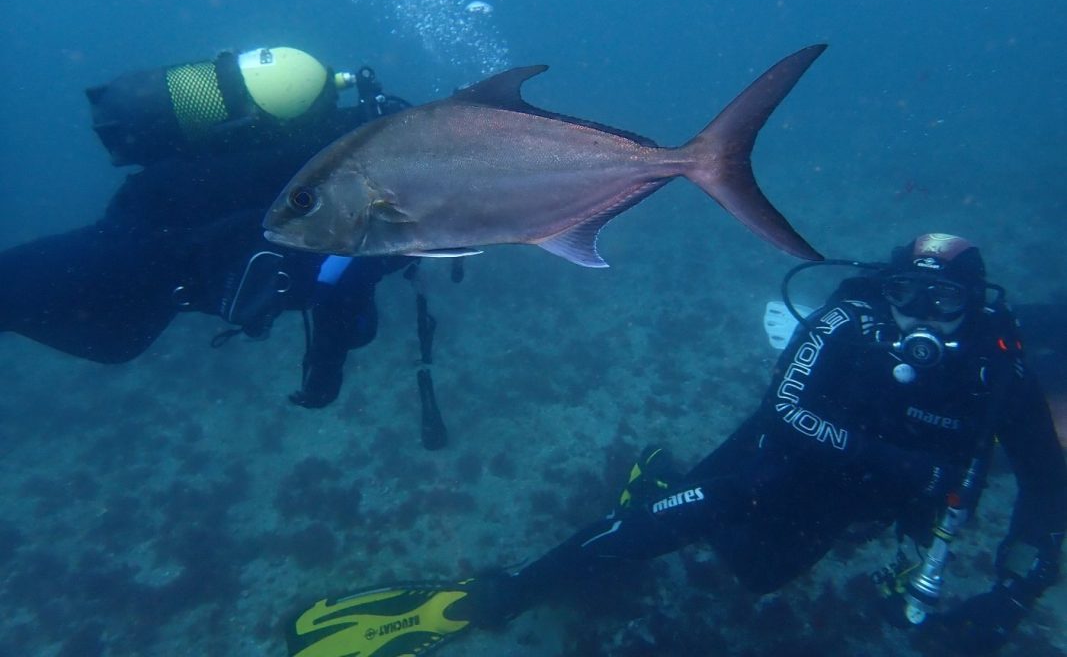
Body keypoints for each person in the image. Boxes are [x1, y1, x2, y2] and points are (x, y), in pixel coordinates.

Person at [284, 233, 1067, 656]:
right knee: (689, 514)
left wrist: (1014, 589)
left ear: (975, 303)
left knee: (756, 572)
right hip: (770, 459)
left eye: (941, 302)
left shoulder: (1000, 366)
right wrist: (899, 463)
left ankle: (658, 484)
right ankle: (498, 593)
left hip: (855, 495)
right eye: (905, 295)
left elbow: (1044, 480)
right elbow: (787, 407)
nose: (917, 318)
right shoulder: (851, 314)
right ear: (882, 289)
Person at [0, 46, 413, 408]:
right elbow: (342, 290)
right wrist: (324, 372)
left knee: (114, 337)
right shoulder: (381, 193)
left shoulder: (344, 150)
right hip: (149, 243)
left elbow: (342, 282)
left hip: (159, 221)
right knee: (96, 327)